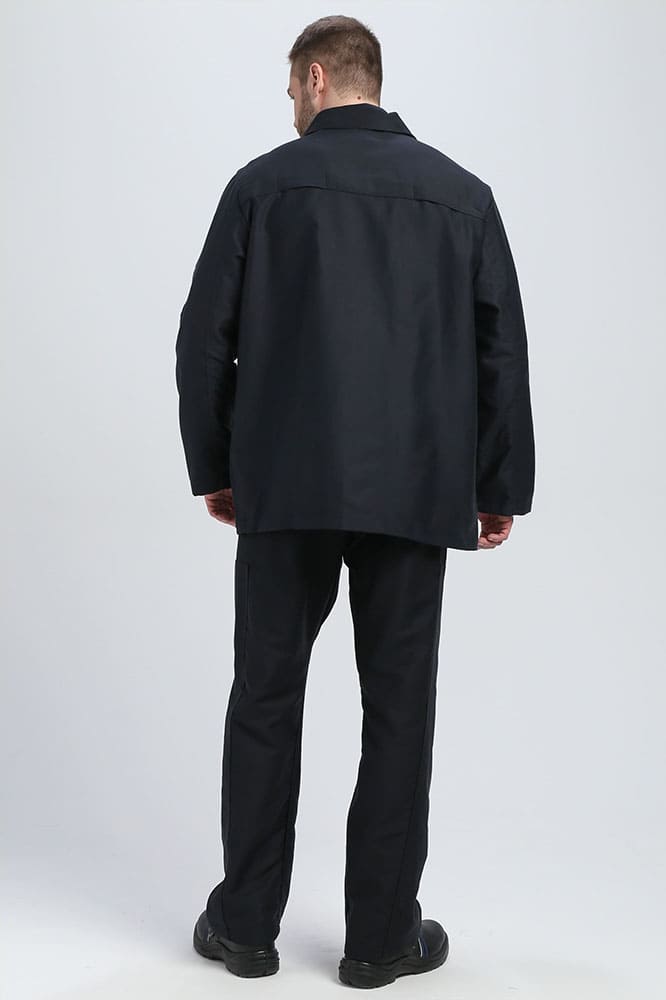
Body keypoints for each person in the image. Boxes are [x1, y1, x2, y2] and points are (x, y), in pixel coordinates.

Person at [175, 13, 536, 990]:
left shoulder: (262, 187)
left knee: (265, 697)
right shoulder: (462, 196)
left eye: (291, 87)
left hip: (285, 483)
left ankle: (245, 928)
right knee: (400, 711)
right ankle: (381, 940)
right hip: (416, 485)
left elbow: (204, 338)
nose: (289, 105)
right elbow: (501, 350)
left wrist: (218, 466)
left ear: (317, 77)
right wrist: (496, 486)